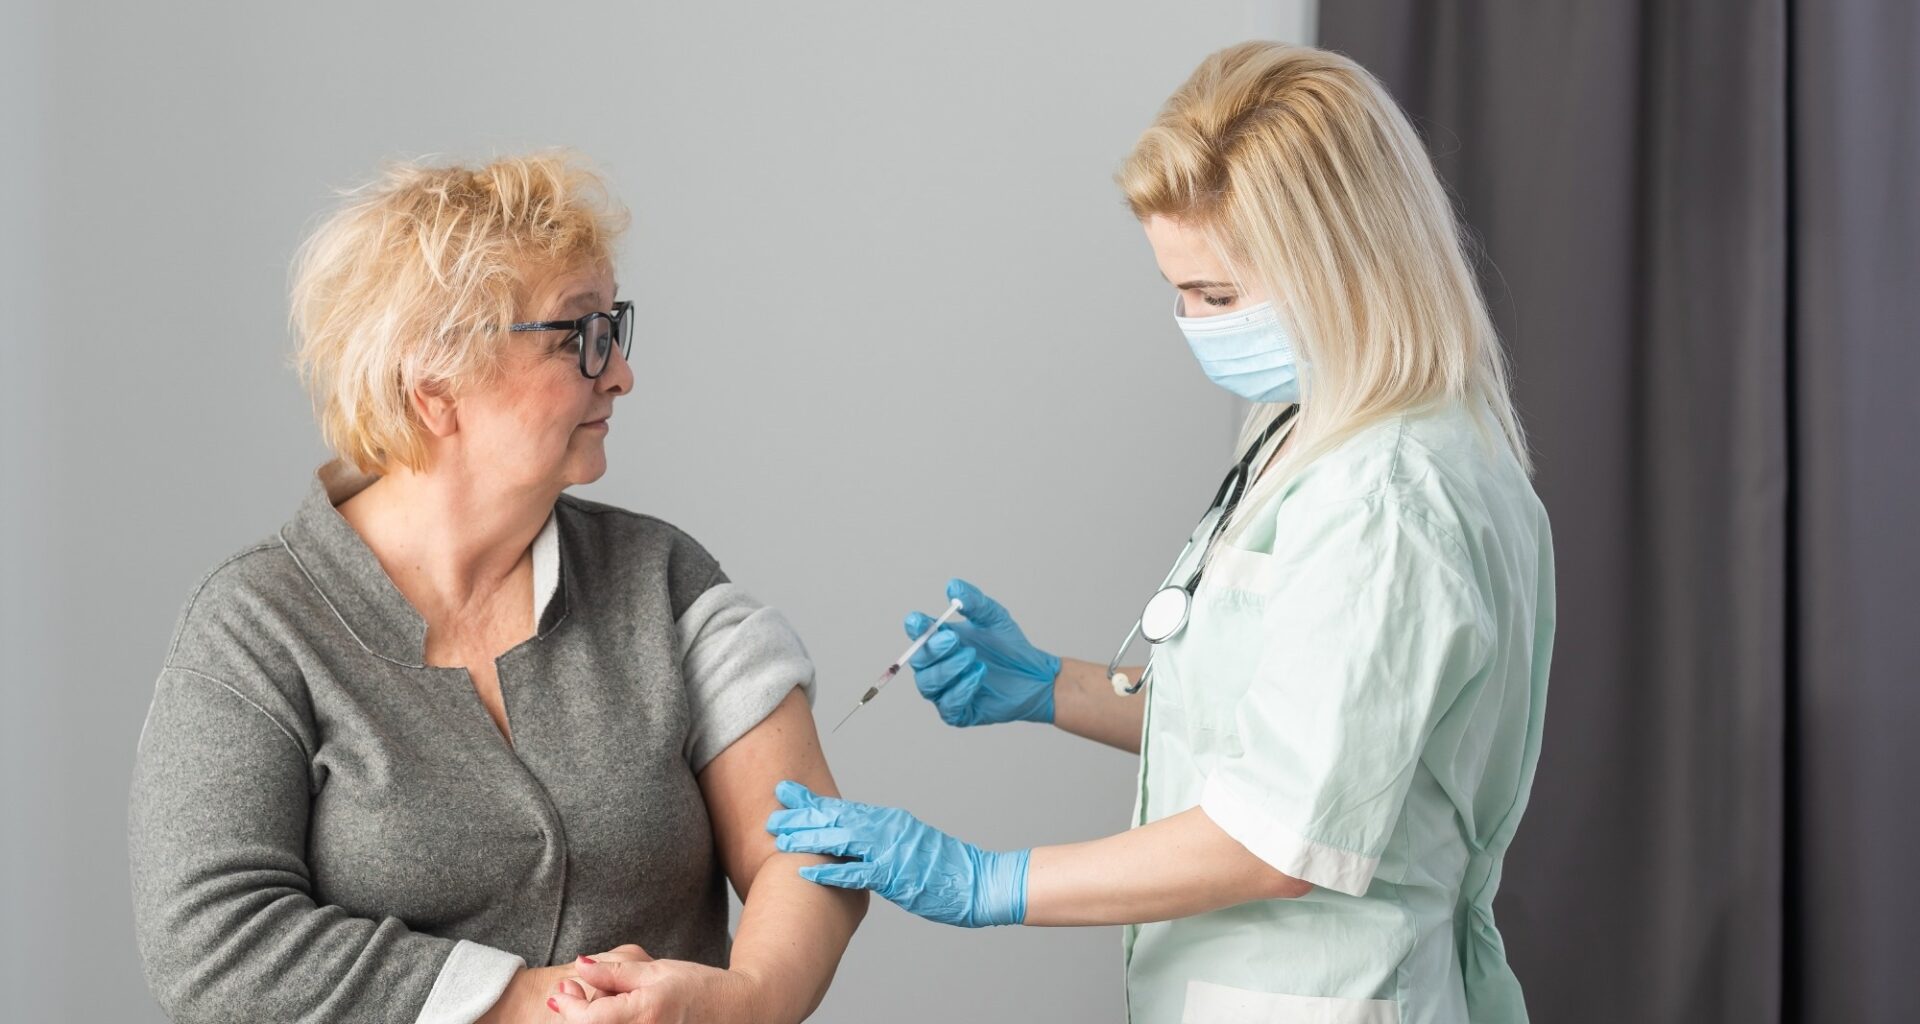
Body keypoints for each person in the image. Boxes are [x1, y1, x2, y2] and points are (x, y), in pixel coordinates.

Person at [754, 41, 1557, 1024]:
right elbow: (1297, 730)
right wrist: (1054, 686)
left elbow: (1277, 836)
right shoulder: (1314, 430)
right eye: (1175, 291)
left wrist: (983, 880)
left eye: (1216, 296)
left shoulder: (1387, 495)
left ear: (1343, 267)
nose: (1190, 324)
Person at [128, 152, 865, 1024]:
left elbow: (811, 851)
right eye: (577, 337)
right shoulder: (255, 628)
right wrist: (524, 1002)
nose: (621, 373)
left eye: (615, 328)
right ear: (434, 383)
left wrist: (744, 1003)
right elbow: (211, 948)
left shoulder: (667, 584)